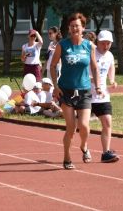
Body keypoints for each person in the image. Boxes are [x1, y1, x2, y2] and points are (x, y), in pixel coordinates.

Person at [50, 12, 101, 170]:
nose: (74, 28)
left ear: (83, 28)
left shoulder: (89, 46)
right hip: (66, 90)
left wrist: (98, 85)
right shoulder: (62, 45)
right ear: (69, 28)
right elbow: (53, 66)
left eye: (77, 26)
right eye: (72, 26)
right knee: (71, 127)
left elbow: (94, 66)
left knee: (84, 126)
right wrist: (56, 86)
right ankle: (67, 157)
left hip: (84, 90)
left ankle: (84, 146)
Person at [91, 30, 119, 163]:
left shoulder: (110, 56)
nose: (106, 46)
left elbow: (111, 67)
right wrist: (93, 81)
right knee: (80, 127)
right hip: (87, 95)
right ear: (98, 42)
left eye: (108, 43)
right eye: (103, 43)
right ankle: (84, 149)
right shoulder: (91, 53)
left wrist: (112, 80)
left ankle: (105, 152)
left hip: (102, 96)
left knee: (107, 122)